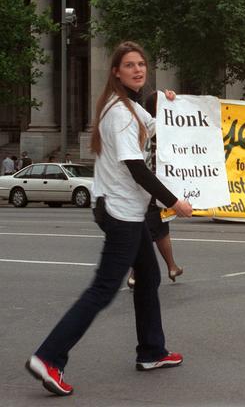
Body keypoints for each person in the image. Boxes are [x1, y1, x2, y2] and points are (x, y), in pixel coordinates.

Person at [25, 41, 193, 396]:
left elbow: (158, 122)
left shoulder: (131, 107)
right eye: (130, 65)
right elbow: (135, 167)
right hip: (122, 213)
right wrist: (174, 201)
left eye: (142, 64)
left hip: (125, 210)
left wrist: (169, 101)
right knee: (103, 289)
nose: (138, 69)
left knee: (147, 277)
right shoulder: (119, 112)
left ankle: (152, 351)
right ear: (115, 72)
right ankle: (49, 356)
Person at [128, 92, 183, 288]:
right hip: (150, 189)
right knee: (148, 232)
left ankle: (172, 266)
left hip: (156, 189)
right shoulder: (151, 128)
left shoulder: (152, 127)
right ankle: (135, 274)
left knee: (160, 230)